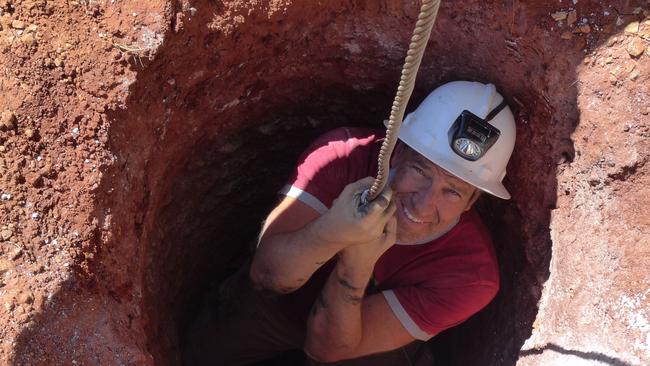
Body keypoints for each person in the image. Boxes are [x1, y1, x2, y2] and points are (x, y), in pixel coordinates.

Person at [184, 80, 517, 366]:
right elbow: (267, 276)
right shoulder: (343, 157)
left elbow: (327, 348)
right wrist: (331, 231)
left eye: (453, 192)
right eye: (420, 170)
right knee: (198, 353)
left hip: (363, 345)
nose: (424, 203)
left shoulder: (471, 275)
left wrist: (357, 265)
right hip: (277, 306)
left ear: (473, 202)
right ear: (397, 151)